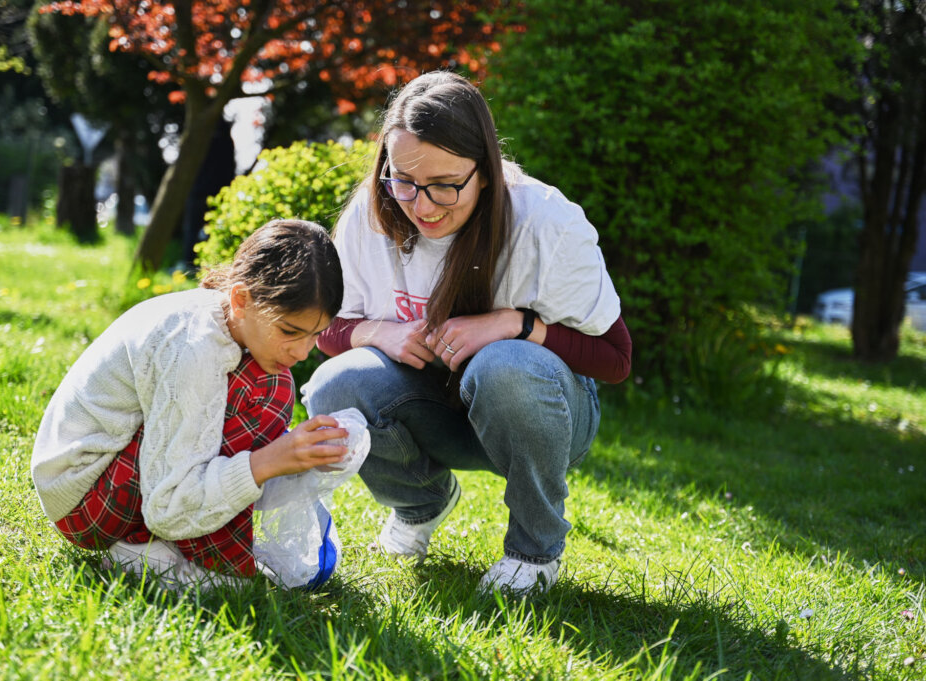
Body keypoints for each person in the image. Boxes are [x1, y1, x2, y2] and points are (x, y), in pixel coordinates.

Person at [301, 71, 632, 596]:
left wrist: (517, 324)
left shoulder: (545, 222)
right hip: (436, 409)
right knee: (331, 385)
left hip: (544, 413)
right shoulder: (371, 213)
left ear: (486, 170)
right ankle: (420, 506)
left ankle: (534, 551)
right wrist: (376, 332)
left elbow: (615, 359)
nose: (423, 205)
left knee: (506, 364)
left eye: (445, 185)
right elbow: (323, 330)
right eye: (404, 180)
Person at [31, 219, 350, 590]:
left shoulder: (226, 327)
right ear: (241, 300)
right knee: (264, 389)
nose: (301, 351)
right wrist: (269, 461)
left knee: (272, 384)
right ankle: (155, 553)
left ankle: (170, 548)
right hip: (84, 502)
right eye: (289, 331)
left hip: (112, 481)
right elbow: (168, 508)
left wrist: (299, 462)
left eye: (316, 334)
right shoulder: (194, 347)